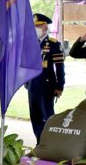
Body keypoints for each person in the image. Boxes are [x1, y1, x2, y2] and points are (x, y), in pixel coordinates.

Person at [27, 14, 65, 144]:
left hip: (47, 86)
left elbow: (59, 68)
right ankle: (39, 141)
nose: (35, 29)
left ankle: (50, 143)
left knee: (48, 116)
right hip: (33, 86)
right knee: (35, 116)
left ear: (45, 27)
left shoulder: (54, 44)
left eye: (38, 26)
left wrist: (60, 86)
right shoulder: (31, 43)